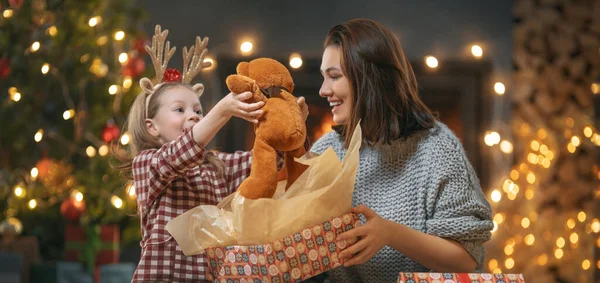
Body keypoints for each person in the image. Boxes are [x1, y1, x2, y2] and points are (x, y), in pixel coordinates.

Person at [115, 26, 309, 282]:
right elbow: (177, 155)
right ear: (152, 127)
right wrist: (222, 111)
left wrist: (289, 127)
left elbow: (264, 163)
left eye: (198, 109)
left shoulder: (217, 166)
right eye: (179, 110)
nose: (193, 115)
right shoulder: (147, 165)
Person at [309, 18, 493, 282]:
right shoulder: (325, 152)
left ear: (370, 78)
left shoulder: (437, 149)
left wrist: (390, 233)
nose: (323, 90)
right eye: (323, 77)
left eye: (334, 76)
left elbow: (466, 257)